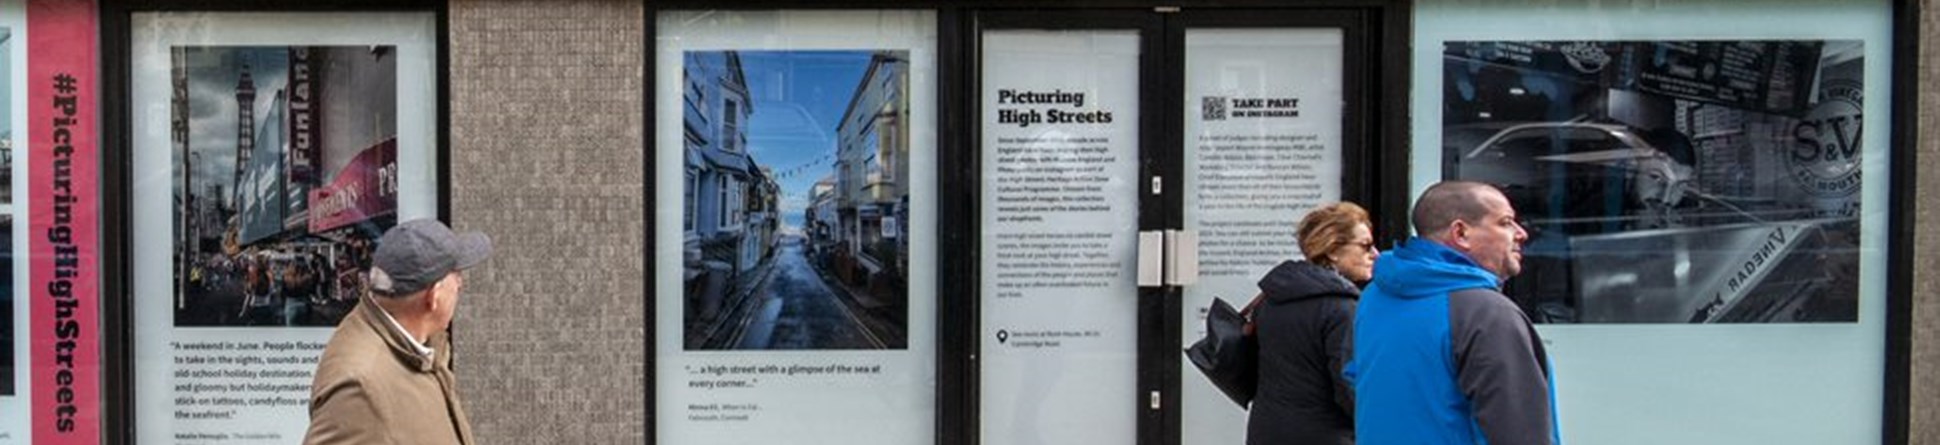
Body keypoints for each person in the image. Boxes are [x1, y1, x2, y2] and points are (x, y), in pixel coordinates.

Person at [1344, 181, 1559, 445]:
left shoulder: (1374, 298)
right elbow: (1519, 432)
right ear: (1461, 233)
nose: (1521, 233)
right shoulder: (1486, 314)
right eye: (1505, 222)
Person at [304, 219, 492, 445]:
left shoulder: (418, 343)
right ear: (434, 296)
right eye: (455, 275)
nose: (460, 283)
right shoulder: (360, 389)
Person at [1248, 202, 1378, 445]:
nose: (1375, 254)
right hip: (1326, 434)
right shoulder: (1341, 307)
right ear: (1333, 250)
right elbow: (1348, 387)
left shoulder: (1273, 299)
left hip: (1267, 430)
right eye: (1365, 246)